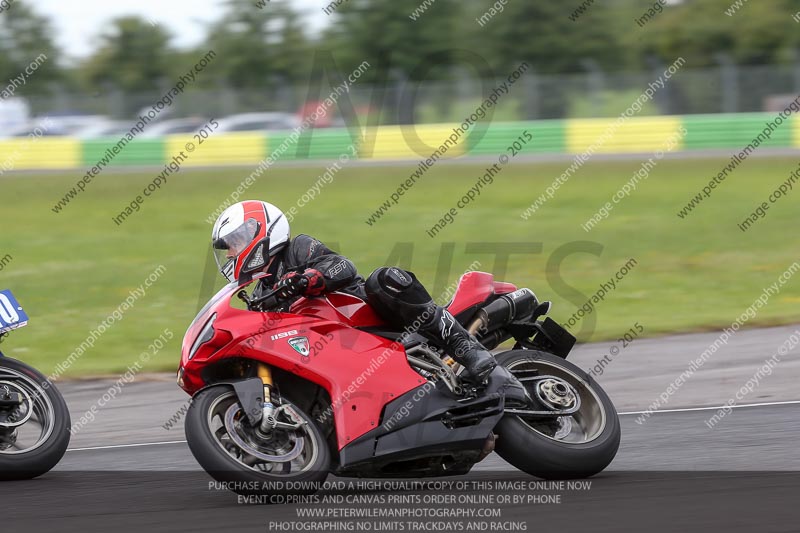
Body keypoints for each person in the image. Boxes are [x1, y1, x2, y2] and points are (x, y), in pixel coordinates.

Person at [211, 200, 497, 383]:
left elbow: (341, 266)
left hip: (369, 320)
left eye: (234, 244)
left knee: (383, 279)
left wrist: (305, 279)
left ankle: (465, 347)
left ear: (260, 232)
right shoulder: (259, 295)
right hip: (332, 355)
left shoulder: (297, 248)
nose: (230, 254)